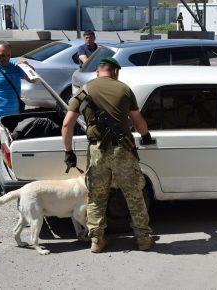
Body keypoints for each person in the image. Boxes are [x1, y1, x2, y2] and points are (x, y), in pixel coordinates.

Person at [61, 57, 154, 253]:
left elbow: (67, 124)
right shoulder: (124, 89)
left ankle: (97, 241)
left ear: (98, 71)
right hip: (123, 150)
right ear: (115, 71)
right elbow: (138, 121)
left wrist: (69, 152)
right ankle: (143, 240)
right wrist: (145, 136)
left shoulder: (84, 90)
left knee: (96, 197)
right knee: (134, 195)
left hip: (97, 152)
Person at [0, 41, 36, 153]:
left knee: (13, 149)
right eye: (2, 55)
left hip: (14, 116)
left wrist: (27, 66)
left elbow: (33, 79)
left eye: (8, 55)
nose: (6, 58)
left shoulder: (15, 66)